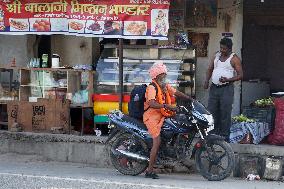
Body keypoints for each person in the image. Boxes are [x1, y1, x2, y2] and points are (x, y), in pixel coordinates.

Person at [143, 61, 191, 179]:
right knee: (157, 141)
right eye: (162, 75)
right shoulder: (152, 87)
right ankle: (149, 171)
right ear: (157, 76)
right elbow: (151, 103)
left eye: (165, 75)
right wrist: (165, 106)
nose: (165, 77)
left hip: (163, 114)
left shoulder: (164, 86)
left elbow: (175, 92)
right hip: (152, 117)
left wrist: (190, 99)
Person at [204, 37, 243, 141]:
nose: (222, 50)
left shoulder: (234, 58)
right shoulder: (216, 55)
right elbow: (210, 69)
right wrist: (206, 81)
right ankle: (212, 134)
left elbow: (240, 75)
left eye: (224, 49)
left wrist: (228, 79)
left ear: (230, 48)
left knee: (225, 112)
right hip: (214, 88)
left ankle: (224, 136)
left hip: (226, 88)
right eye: (221, 48)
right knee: (212, 111)